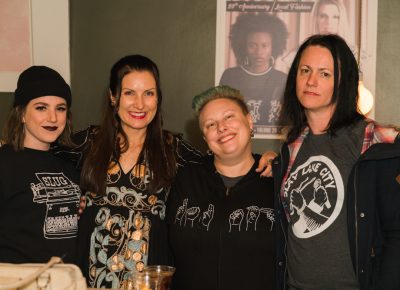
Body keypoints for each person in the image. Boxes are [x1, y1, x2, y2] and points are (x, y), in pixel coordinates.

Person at [274, 34, 400, 290]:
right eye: (305, 70)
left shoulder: (373, 143)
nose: (311, 81)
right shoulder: (291, 149)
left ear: (344, 82)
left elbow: (396, 233)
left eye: (325, 74)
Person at [73, 55, 204, 288]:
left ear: (158, 98)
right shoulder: (88, 143)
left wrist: (267, 159)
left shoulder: (173, 149)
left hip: (149, 280)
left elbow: (223, 164)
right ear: (113, 97)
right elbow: (41, 160)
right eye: (129, 93)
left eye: (149, 93)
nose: (140, 104)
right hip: (88, 278)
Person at [167, 86, 278, 290]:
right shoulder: (184, 179)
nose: (221, 127)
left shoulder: (278, 181)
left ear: (249, 121)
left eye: (229, 117)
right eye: (210, 124)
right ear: (204, 139)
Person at [0, 66, 81, 263]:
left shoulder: (69, 166)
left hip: (66, 280)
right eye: (41, 107)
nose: (52, 118)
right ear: (21, 114)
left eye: (60, 108)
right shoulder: (4, 162)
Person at [219, 13, 288, 135]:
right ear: (243, 46)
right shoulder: (230, 77)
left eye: (264, 45)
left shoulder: (282, 79)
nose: (259, 52)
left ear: (273, 47)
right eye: (252, 45)